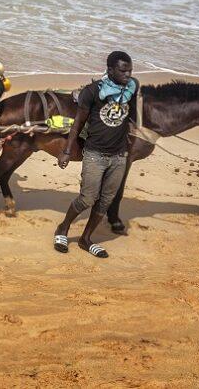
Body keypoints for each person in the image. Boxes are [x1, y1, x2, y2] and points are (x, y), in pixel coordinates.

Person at [53, 51, 139, 259]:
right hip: (95, 155)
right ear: (110, 70)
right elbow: (78, 124)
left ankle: (85, 239)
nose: (128, 74)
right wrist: (66, 152)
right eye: (123, 70)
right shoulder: (93, 91)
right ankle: (62, 229)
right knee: (87, 198)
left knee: (105, 201)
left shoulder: (132, 87)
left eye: (130, 70)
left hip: (119, 156)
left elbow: (132, 117)